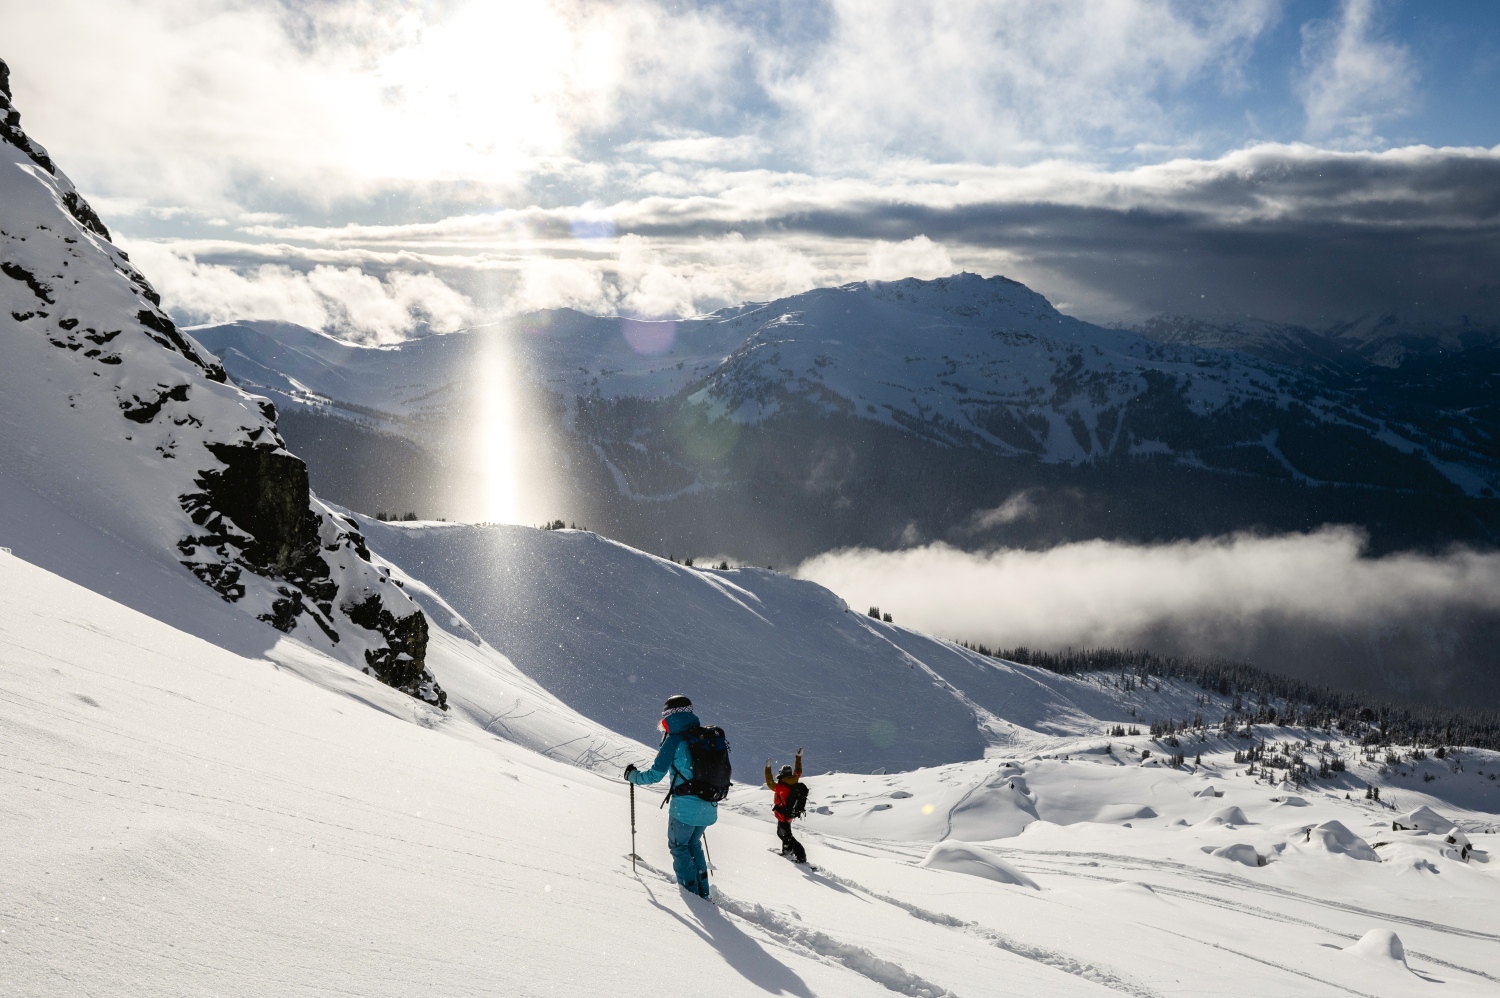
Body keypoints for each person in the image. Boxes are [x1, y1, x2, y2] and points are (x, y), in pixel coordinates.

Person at [625, 695, 719, 898]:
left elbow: (655, 775)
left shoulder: (675, 741)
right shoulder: (706, 737)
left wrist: (633, 776)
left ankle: (692, 895)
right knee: (693, 844)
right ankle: (703, 891)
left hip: (685, 808)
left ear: (667, 717)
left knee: (679, 847)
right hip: (709, 803)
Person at [764, 748, 807, 864]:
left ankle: (801, 856)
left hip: (783, 814)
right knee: (785, 833)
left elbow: (770, 783)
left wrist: (768, 769)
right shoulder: (794, 780)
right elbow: (798, 771)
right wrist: (798, 757)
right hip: (788, 813)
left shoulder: (782, 787)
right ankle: (787, 851)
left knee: (784, 835)